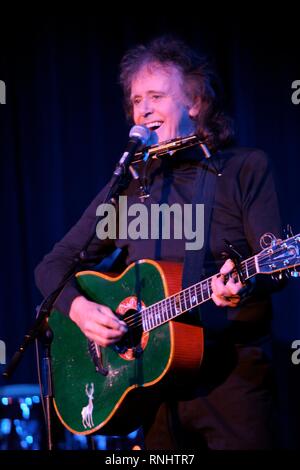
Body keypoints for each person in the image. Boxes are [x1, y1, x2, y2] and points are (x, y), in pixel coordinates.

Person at [35, 36, 284, 450]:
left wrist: (244, 285)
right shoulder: (131, 186)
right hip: (151, 386)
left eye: (156, 96)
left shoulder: (244, 168)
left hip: (232, 380)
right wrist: (79, 310)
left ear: (195, 103)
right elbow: (51, 266)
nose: (143, 110)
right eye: (136, 100)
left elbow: (274, 268)